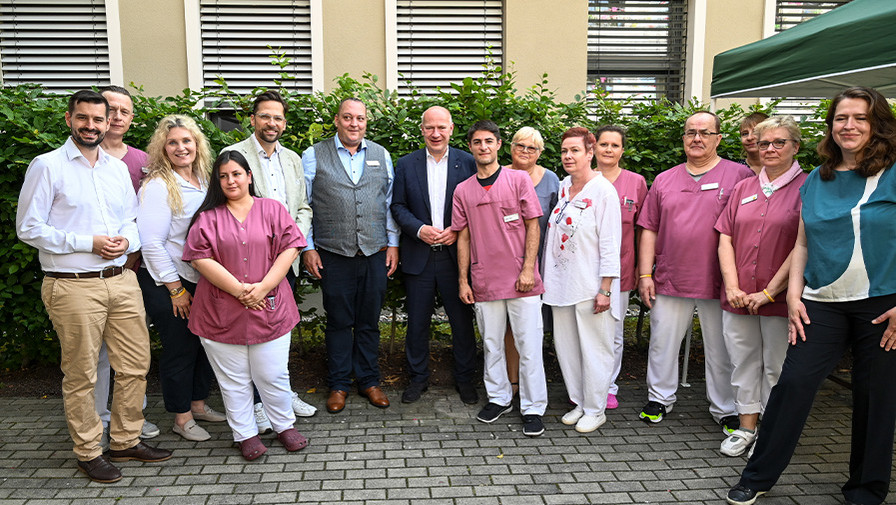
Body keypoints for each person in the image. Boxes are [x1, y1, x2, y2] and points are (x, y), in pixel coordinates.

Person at [727, 86, 896, 505]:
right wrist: (793, 296)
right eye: (842, 118)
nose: (850, 125)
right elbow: (802, 244)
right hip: (820, 302)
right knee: (793, 385)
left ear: (877, 124)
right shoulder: (817, 180)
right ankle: (759, 475)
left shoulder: (893, 172)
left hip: (882, 304)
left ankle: (865, 489)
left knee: (876, 398)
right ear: (831, 126)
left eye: (860, 117)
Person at [16, 90, 172, 484]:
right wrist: (88, 243)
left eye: (98, 120)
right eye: (83, 118)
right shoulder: (47, 165)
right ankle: (88, 451)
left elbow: (132, 221)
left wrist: (126, 241)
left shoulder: (116, 169)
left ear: (108, 124)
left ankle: (124, 439)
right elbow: (29, 228)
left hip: (121, 281)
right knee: (82, 372)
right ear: (69, 119)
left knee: (135, 364)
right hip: (72, 286)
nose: (91, 125)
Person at [184, 150, 308, 461]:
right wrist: (241, 291)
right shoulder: (207, 218)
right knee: (234, 380)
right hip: (220, 312)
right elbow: (200, 259)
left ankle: (284, 426)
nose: (230, 180)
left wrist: (264, 287)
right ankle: (245, 434)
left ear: (249, 176)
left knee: (273, 374)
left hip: (271, 307)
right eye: (223, 176)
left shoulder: (272, 209)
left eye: (236, 174)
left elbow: (291, 248)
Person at [637, 111, 753, 430]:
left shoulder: (740, 176)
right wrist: (645, 274)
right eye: (690, 133)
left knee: (723, 347)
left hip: (722, 281)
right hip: (671, 278)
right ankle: (659, 398)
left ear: (718, 138)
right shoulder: (664, 179)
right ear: (683, 138)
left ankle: (726, 408)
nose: (697, 138)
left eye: (704, 132)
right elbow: (649, 228)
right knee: (662, 342)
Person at [220, 90, 316, 426]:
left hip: (284, 261)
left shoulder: (291, 158)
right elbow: (227, 210)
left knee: (278, 333)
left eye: (277, 117)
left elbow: (303, 206)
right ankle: (257, 405)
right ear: (252, 119)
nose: (271, 123)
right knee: (252, 335)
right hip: (248, 264)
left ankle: (281, 395)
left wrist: (294, 242)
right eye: (265, 116)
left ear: (284, 123)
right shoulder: (233, 156)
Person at [714, 116, 806, 457]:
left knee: (777, 367)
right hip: (738, 298)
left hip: (781, 300)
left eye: (778, 142)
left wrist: (769, 292)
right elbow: (725, 237)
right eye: (764, 142)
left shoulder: (808, 188)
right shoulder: (743, 187)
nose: (769, 148)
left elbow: (803, 245)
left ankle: (771, 433)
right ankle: (746, 427)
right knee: (742, 362)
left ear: (795, 146)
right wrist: (734, 286)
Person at [301, 98, 399, 414]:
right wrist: (308, 247)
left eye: (360, 118)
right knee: (339, 322)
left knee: (370, 321)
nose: (354, 124)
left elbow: (388, 204)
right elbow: (304, 206)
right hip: (333, 253)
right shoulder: (314, 156)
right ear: (336, 120)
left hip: (374, 251)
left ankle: (370, 381)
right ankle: (339, 385)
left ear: (366, 122)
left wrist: (393, 243)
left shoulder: (381, 155)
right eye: (347, 117)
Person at [452, 120, 548, 437]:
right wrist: (464, 280)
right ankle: (499, 398)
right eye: (477, 142)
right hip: (484, 281)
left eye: (489, 141)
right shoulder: (463, 190)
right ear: (471, 147)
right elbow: (462, 237)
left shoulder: (519, 180)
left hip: (522, 280)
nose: (483, 147)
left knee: (529, 345)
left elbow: (533, 225)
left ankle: (533, 407)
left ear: (498, 144)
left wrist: (527, 269)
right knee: (492, 344)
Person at [137, 115, 227, 441]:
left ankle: (199, 404)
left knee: (203, 343)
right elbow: (151, 242)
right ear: (163, 147)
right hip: (168, 280)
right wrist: (175, 289)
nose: (180, 147)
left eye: (186, 141)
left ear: (197, 144)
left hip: (201, 277)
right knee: (179, 348)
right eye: (173, 142)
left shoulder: (204, 179)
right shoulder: (158, 185)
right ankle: (181, 416)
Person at [390, 106, 478, 404]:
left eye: (441, 127)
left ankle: (465, 379)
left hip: (457, 257)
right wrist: (418, 229)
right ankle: (418, 379)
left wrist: (457, 228)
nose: (436, 133)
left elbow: (478, 205)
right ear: (422, 129)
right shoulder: (405, 163)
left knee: (462, 322)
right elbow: (398, 206)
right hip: (420, 254)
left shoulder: (468, 162)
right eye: (430, 127)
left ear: (451, 129)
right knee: (416, 323)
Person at [543, 127, 621, 433]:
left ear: (590, 153)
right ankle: (579, 401)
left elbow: (610, 244)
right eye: (564, 151)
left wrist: (605, 289)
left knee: (595, 348)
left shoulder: (603, 191)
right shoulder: (563, 187)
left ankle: (596, 408)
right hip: (561, 285)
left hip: (590, 287)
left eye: (575, 150)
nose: (568, 156)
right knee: (567, 348)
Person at [96, 85, 158, 444]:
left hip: (133, 270)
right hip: (90, 272)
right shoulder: (77, 158)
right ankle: (99, 417)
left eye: (125, 111)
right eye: (111, 109)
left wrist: (132, 254)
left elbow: (144, 216)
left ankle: (132, 415)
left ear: (132, 119)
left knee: (133, 351)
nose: (117, 116)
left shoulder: (140, 161)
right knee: (98, 354)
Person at [593, 124, 648, 410]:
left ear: (622, 150)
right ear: (594, 148)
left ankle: (608, 386)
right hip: (586, 271)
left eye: (615, 145)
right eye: (604, 144)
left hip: (622, 270)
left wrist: (642, 270)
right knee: (586, 332)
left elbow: (643, 230)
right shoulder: (582, 179)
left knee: (614, 333)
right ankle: (586, 385)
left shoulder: (636, 182)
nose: (609, 150)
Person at [502, 127, 559, 398]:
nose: (525, 152)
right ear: (509, 148)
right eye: (520, 146)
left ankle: (533, 384)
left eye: (532, 148)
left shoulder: (552, 180)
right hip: (504, 262)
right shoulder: (497, 175)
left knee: (536, 328)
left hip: (542, 263)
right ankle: (512, 382)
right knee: (511, 327)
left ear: (540, 152)